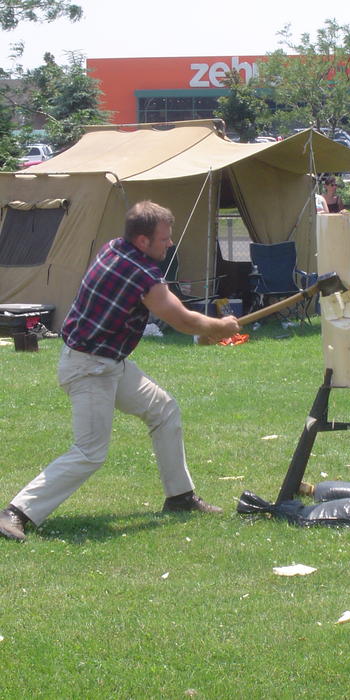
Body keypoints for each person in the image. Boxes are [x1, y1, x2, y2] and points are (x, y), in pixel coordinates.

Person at [0, 201, 240, 542]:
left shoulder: (115, 246)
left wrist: (209, 330)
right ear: (142, 241)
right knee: (90, 452)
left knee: (164, 410)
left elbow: (178, 315)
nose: (169, 244)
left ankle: (180, 497)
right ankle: (15, 512)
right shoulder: (140, 273)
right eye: (163, 239)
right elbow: (183, 319)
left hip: (107, 362)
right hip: (89, 368)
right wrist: (221, 325)